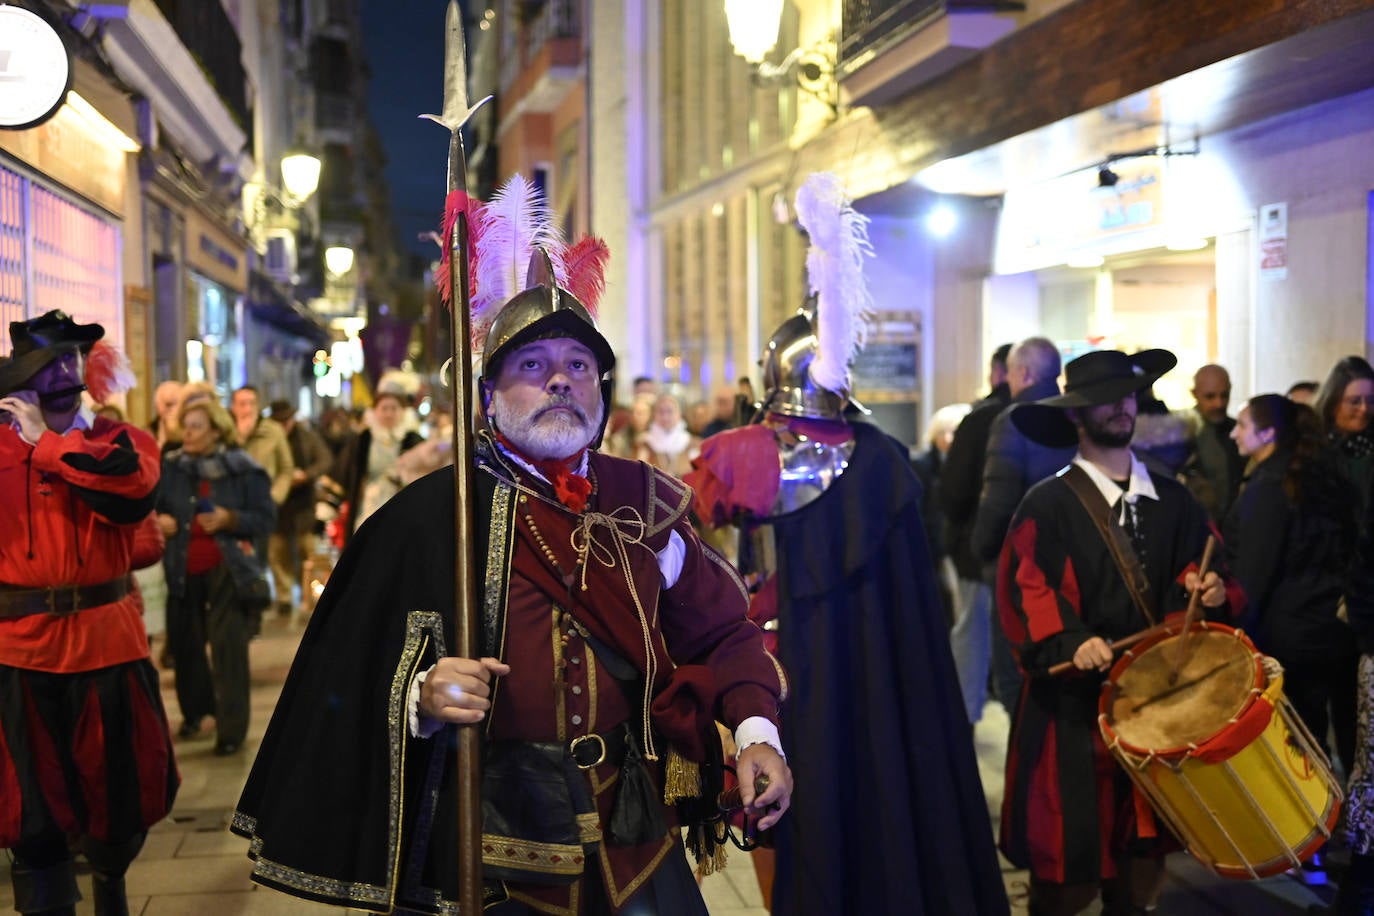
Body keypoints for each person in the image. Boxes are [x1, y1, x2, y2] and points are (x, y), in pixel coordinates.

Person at [231, 179, 790, 916]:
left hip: (634, 834)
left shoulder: (643, 503)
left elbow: (724, 629)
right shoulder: (427, 520)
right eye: (532, 366)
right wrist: (419, 698)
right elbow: (348, 678)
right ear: (487, 392)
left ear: (601, 389)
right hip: (493, 847)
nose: (561, 378)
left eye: (579, 366)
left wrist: (756, 732)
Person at [687, 172, 1007, 915]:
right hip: (875, 674)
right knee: (882, 791)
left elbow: (701, 565)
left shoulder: (736, 452)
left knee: (777, 822)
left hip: (769, 666)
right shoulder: (886, 457)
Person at [999, 348, 1239, 916]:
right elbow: (1027, 593)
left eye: (1127, 395)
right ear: (1076, 416)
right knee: (1066, 877)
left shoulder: (1175, 498)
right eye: (1103, 400)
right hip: (1073, 719)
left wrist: (1210, 591)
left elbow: (1206, 572)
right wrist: (1068, 641)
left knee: (1139, 876)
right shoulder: (1046, 506)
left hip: (1154, 713)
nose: (1121, 407)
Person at [0, 310, 177, 916]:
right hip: (19, 651)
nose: (63, 371)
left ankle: (111, 885)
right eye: (48, 363)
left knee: (117, 794)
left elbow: (131, 494)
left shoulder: (119, 440)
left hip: (106, 646)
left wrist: (45, 447)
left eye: (72, 360)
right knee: (31, 806)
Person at [1223, 394, 1358, 773]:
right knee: (1341, 734)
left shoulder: (1270, 488)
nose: (1234, 433)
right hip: (1331, 627)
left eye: (1243, 425)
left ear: (1268, 434)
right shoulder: (1322, 477)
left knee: (1303, 746)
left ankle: (1321, 825)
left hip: (1291, 636)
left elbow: (1254, 574)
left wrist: (1239, 637)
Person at [156, 397, 276, 755]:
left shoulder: (242, 469)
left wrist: (230, 519)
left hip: (228, 570)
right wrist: (160, 522)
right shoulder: (172, 468)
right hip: (181, 568)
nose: (188, 433)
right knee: (184, 644)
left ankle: (231, 731)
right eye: (185, 425)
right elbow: (154, 507)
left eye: (196, 426)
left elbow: (265, 518)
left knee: (228, 650)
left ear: (216, 430)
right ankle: (198, 714)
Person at [970, 336, 1077, 716]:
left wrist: (980, 547)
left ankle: (1029, 769)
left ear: (1025, 372)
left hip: (1016, 566)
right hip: (1070, 563)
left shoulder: (1014, 420)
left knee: (1015, 678)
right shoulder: (1072, 414)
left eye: (1013, 371)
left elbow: (998, 497)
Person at [939, 341, 1013, 723]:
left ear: (1001, 372)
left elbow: (953, 491)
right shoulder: (1051, 415)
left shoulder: (981, 418)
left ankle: (963, 721)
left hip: (978, 551)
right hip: (1029, 556)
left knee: (972, 635)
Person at [335, 375, 424, 543]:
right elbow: (344, 472)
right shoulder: (363, 439)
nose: (389, 414)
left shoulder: (413, 439)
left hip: (404, 507)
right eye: (384, 408)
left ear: (402, 411)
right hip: (369, 506)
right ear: (375, 411)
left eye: (394, 408)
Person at [266, 400, 333, 620]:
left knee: (309, 550)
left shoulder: (306, 436)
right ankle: (284, 597)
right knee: (278, 552)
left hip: (303, 502)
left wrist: (307, 474)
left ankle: (313, 595)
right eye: (279, 420)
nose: (284, 425)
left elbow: (324, 459)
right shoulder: (269, 438)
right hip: (277, 505)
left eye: (286, 420)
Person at [911, 402, 971, 625]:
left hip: (951, 543)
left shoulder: (960, 465)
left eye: (954, 432)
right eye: (945, 432)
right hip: (933, 546)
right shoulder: (922, 464)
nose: (949, 438)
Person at [1178, 363, 1245, 521]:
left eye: (1224, 395)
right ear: (1194, 393)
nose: (1219, 403)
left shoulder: (1238, 430)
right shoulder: (1180, 432)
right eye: (1210, 396)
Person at [1314, 356, 1374, 516]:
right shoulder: (1313, 448)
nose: (1364, 409)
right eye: (1354, 401)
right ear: (1333, 402)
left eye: (1370, 401)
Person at [230, 385, 294, 505]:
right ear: (234, 407)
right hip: (233, 505)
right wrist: (241, 437)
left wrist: (274, 497)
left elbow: (286, 468)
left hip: (263, 503)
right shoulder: (226, 433)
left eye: (252, 403)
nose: (248, 409)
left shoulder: (273, 431)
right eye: (242, 404)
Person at [634, 392, 698, 478]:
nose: (665, 417)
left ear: (679, 414)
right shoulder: (645, 443)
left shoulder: (691, 443)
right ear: (654, 415)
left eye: (669, 411)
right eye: (661, 412)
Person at [150, 378, 183, 451]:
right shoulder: (148, 433)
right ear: (158, 406)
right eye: (169, 404)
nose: (175, 409)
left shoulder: (188, 430)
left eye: (179, 403)